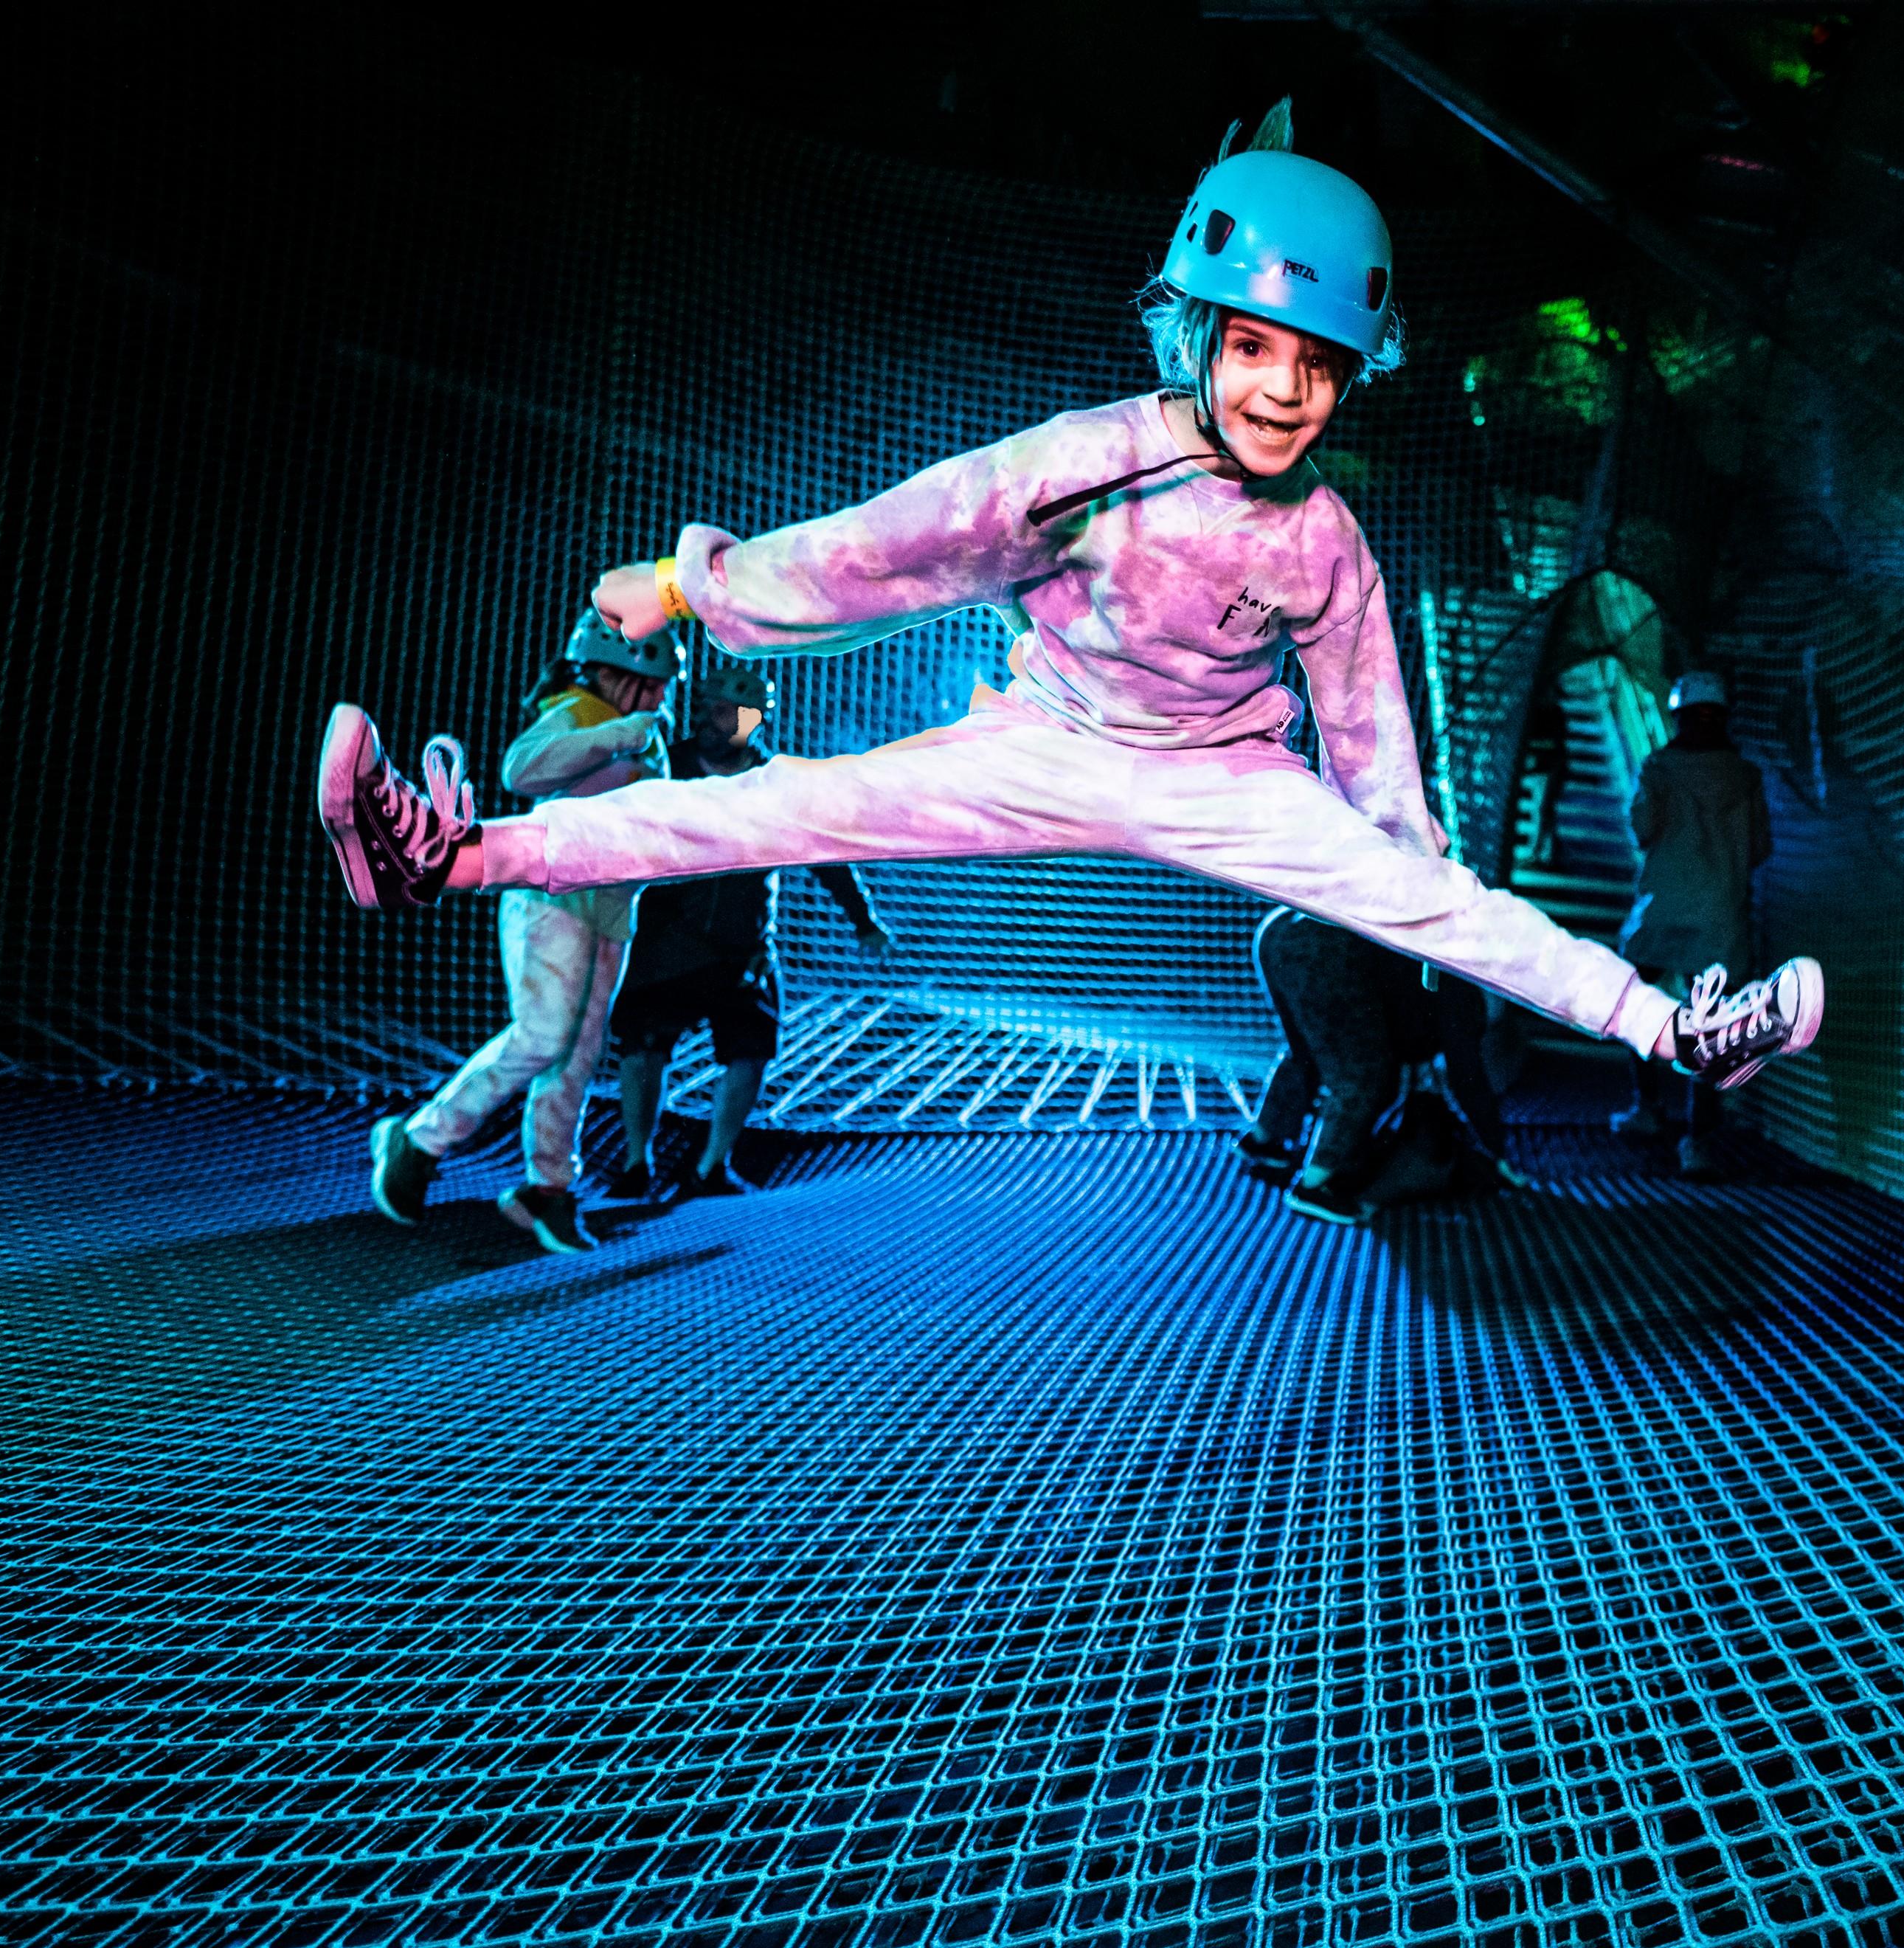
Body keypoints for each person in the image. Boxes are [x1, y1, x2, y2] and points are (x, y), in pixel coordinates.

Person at [316, 100, 1823, 1116]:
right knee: (776, 807)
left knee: (1448, 900)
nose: (1283, 391)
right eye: (1254, 349)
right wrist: (683, 586)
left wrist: (1398, 868)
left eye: (1317, 366)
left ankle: (1678, 1030)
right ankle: (450, 850)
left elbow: (1369, 731)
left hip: (1227, 775)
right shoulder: (1085, 467)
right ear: (1195, 333)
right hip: (1041, 741)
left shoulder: (1327, 541)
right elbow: (887, 551)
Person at [366, 613, 679, 1253]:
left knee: (578, 1054)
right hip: (550, 895)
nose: (657, 697)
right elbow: (521, 769)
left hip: (612, 909)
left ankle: (547, 1190)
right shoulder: (580, 711)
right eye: (648, 685)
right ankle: (420, 1136)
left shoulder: (651, 738)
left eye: (660, 688)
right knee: (543, 1035)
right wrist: (616, 734)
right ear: (613, 676)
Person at [604, 663, 890, 1199]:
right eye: (719, 710)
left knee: (751, 1047)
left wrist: (863, 918)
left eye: (740, 714)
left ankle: (711, 1166)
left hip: (743, 945)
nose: (728, 722)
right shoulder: (667, 767)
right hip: (665, 937)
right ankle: (636, 1162)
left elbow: (824, 851)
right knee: (643, 1045)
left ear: (758, 721)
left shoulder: (773, 783)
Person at [1238, 907, 1521, 1223]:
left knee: (1306, 1052)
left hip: (1280, 927)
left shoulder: (1453, 953)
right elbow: (1466, 1075)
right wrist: (1497, 1151)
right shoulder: (1467, 988)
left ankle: (1263, 1140)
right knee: (1362, 1074)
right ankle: (1312, 1188)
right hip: (1326, 947)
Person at [1614, 670, 1773, 1178]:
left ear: (1677, 716)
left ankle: (1647, 1107)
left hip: (1661, 910)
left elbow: (1642, 829)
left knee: (1630, 1000)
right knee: (1713, 1028)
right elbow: (1759, 848)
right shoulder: (1745, 776)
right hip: (1720, 915)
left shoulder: (1659, 768)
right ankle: (1698, 1139)